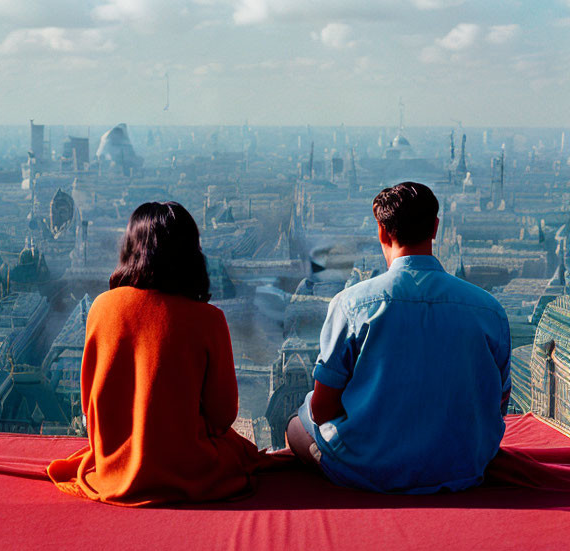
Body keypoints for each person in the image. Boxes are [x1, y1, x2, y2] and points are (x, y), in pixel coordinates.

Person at [286, 182, 511, 494]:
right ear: (435, 228)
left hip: (370, 470)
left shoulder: (352, 305)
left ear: (382, 231)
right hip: (462, 467)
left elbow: (322, 410)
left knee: (296, 424)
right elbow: (498, 403)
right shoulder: (489, 310)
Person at [47, 202, 267, 506]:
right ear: (192, 254)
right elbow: (222, 416)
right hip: (189, 469)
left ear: (130, 248)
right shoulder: (209, 320)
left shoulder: (101, 307)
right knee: (243, 453)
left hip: (114, 467)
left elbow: (88, 403)